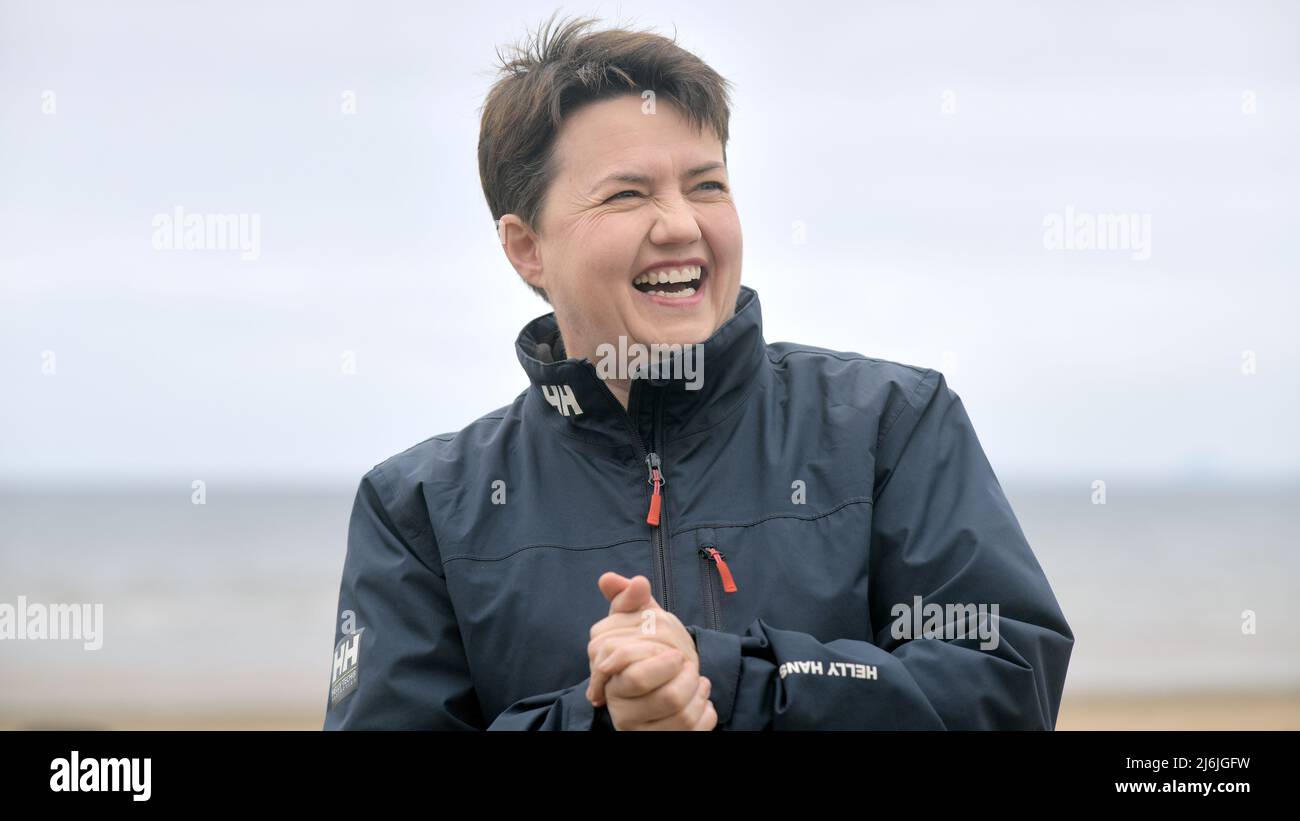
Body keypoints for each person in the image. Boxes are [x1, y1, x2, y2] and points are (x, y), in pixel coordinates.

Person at [322, 13, 1073, 731]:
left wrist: (733, 679)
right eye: (627, 194)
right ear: (527, 247)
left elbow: (1005, 685)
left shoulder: (890, 423)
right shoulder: (421, 508)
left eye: (707, 185)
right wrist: (606, 712)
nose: (682, 224)